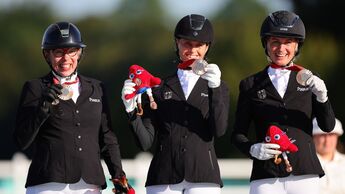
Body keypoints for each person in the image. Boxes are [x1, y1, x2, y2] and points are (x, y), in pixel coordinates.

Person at [14, 22, 133, 194]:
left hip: (89, 184)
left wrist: (119, 176)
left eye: (71, 52)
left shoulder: (97, 87)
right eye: (58, 53)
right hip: (48, 183)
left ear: (79, 53)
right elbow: (21, 140)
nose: (66, 59)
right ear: (47, 55)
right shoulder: (35, 88)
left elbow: (107, 138)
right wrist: (43, 108)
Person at [121, 14, 230, 194]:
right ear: (177, 43)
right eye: (187, 43)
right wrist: (131, 109)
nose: (192, 50)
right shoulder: (158, 88)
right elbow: (145, 142)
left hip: (203, 176)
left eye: (199, 45)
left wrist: (215, 88)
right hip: (163, 177)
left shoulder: (218, 86)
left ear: (207, 47)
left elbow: (218, 130)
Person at [231, 10, 336, 194]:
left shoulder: (311, 80)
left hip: (305, 172)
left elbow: (327, 126)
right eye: (275, 42)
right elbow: (238, 134)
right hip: (266, 175)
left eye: (288, 43)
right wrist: (252, 149)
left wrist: (322, 97)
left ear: (297, 46)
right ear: (266, 44)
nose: (281, 49)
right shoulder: (249, 84)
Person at [313, 118, 345, 194]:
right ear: (313, 137)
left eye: (331, 135)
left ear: (337, 136)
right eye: (322, 135)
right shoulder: (304, 165)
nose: (327, 140)